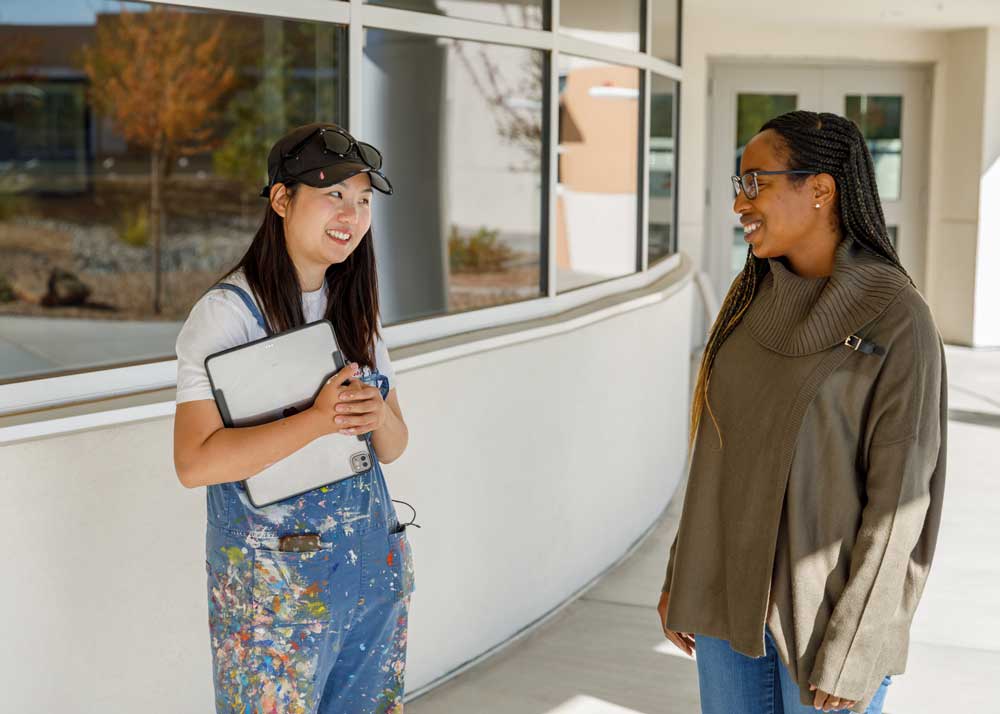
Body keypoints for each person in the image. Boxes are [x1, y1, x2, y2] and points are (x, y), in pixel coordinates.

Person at [657, 111, 946, 714]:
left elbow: (900, 507)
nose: (740, 203)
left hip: (825, 628)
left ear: (820, 190)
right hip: (724, 613)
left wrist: (857, 644)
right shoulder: (748, 304)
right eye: (738, 186)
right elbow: (718, 452)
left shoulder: (898, 318)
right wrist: (684, 572)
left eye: (754, 183)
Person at [172, 123, 415, 714]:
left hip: (370, 574)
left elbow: (395, 445)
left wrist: (373, 412)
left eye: (361, 201)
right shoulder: (227, 316)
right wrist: (318, 418)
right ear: (282, 200)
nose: (351, 215)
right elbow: (194, 462)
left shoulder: (352, 305)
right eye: (333, 194)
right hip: (274, 595)